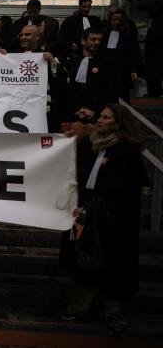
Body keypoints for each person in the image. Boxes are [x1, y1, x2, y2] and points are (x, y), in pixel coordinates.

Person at [60, 104, 148, 337]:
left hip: (115, 219)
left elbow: (126, 188)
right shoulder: (92, 144)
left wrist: (96, 207)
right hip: (86, 215)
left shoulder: (128, 150)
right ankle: (79, 308)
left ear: (118, 122)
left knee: (114, 266)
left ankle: (114, 315)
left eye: (106, 117)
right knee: (83, 261)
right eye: (100, 116)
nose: (100, 120)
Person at [101, 8, 141, 102]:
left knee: (121, 97)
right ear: (110, 20)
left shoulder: (127, 35)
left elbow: (132, 53)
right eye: (114, 19)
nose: (116, 22)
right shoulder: (105, 33)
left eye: (119, 20)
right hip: (106, 70)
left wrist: (133, 69)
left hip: (121, 71)